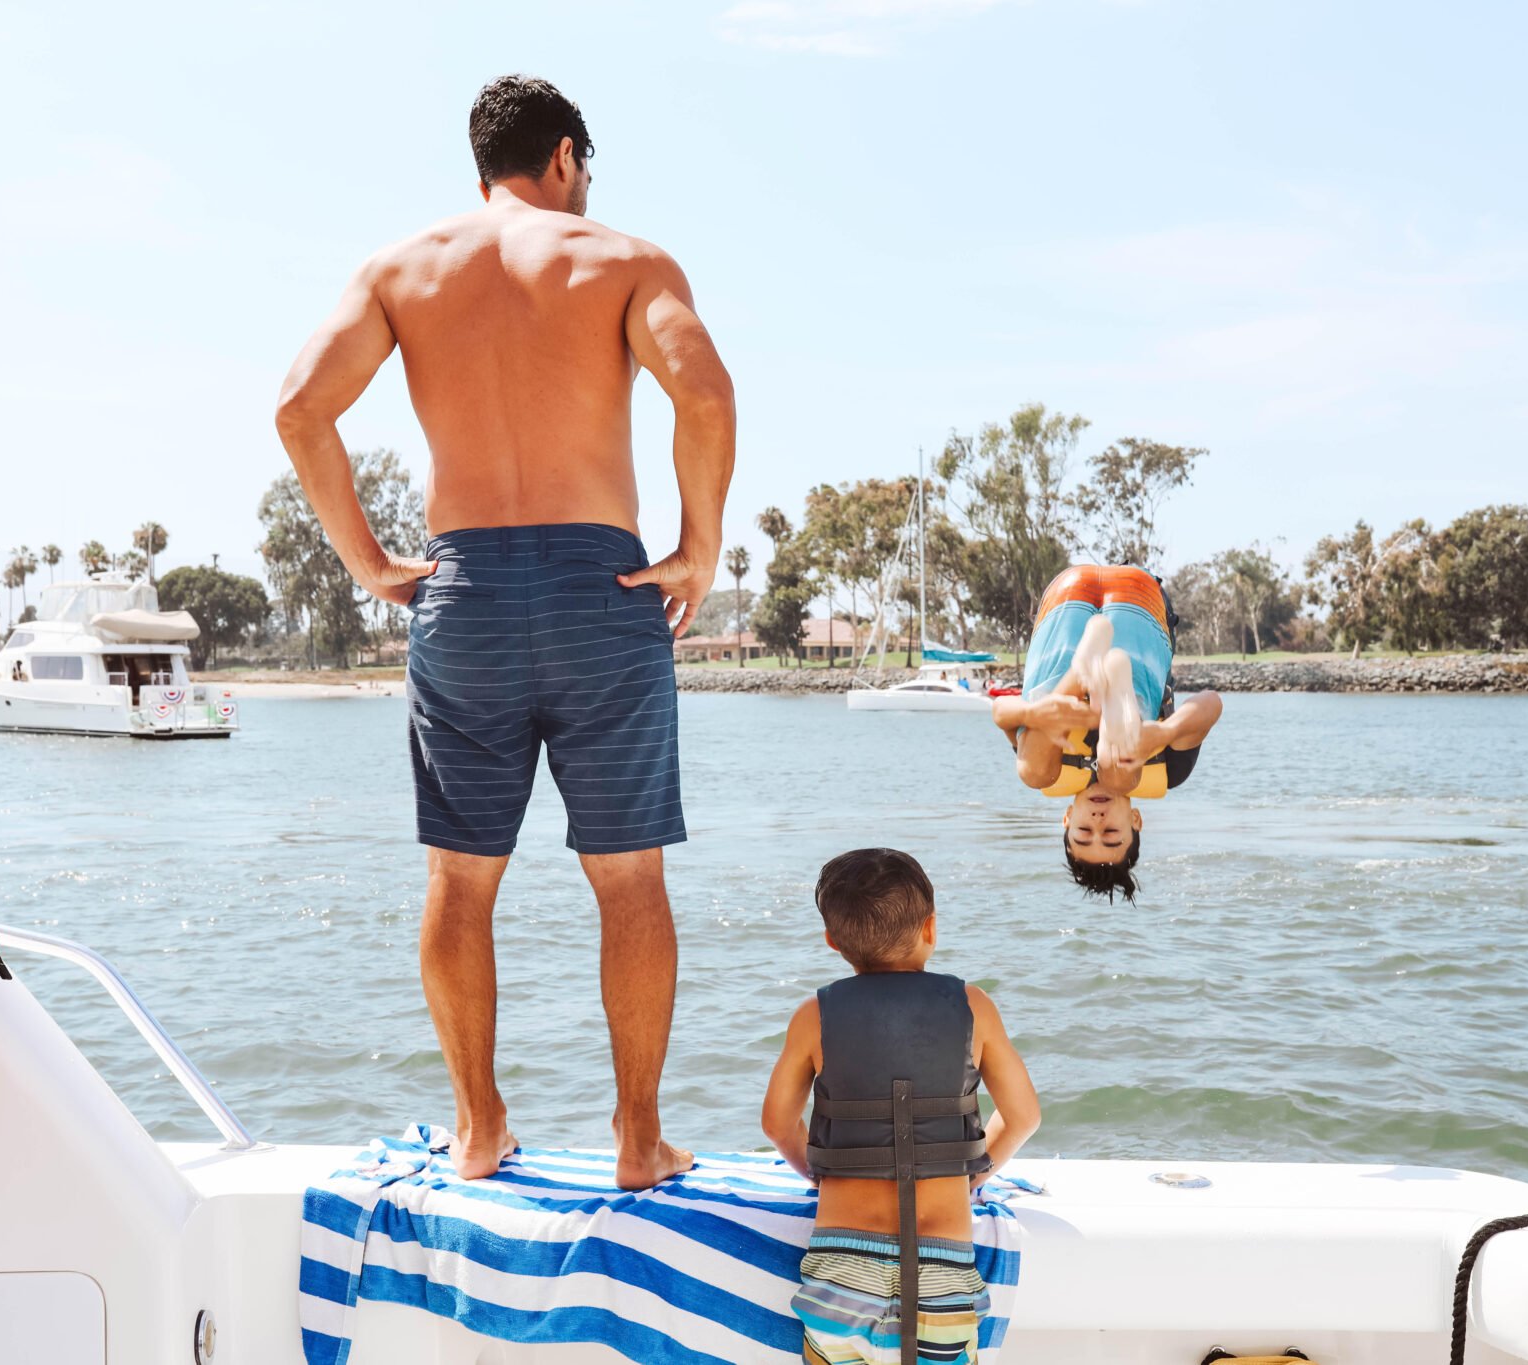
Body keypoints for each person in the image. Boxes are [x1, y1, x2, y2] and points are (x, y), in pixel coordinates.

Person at [274, 74, 735, 1188]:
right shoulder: (620, 261)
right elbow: (705, 397)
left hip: (464, 588)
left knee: (459, 881)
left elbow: (300, 409)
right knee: (628, 882)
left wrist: (372, 565)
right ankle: (635, 1137)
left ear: (483, 166)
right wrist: (697, 548)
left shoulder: (403, 268)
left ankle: (479, 1129)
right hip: (601, 586)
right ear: (567, 157)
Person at [762, 848, 1041, 1365]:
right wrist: (972, 1175)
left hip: (840, 1271)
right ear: (930, 927)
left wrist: (821, 1172)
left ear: (832, 941)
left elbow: (777, 1123)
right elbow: (1024, 1117)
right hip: (942, 1274)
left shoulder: (813, 1015)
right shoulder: (973, 1006)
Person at [991, 566, 1222, 902]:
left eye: (1084, 832)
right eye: (1111, 832)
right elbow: (1212, 703)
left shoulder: (1047, 767)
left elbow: (1000, 714)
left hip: (1065, 604)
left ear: (1067, 818)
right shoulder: (1168, 770)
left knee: (1032, 774)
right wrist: (1165, 732)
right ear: (1135, 820)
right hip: (1138, 604)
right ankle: (1116, 686)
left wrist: (1031, 712)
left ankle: (1084, 671)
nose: (1098, 821)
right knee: (1121, 776)